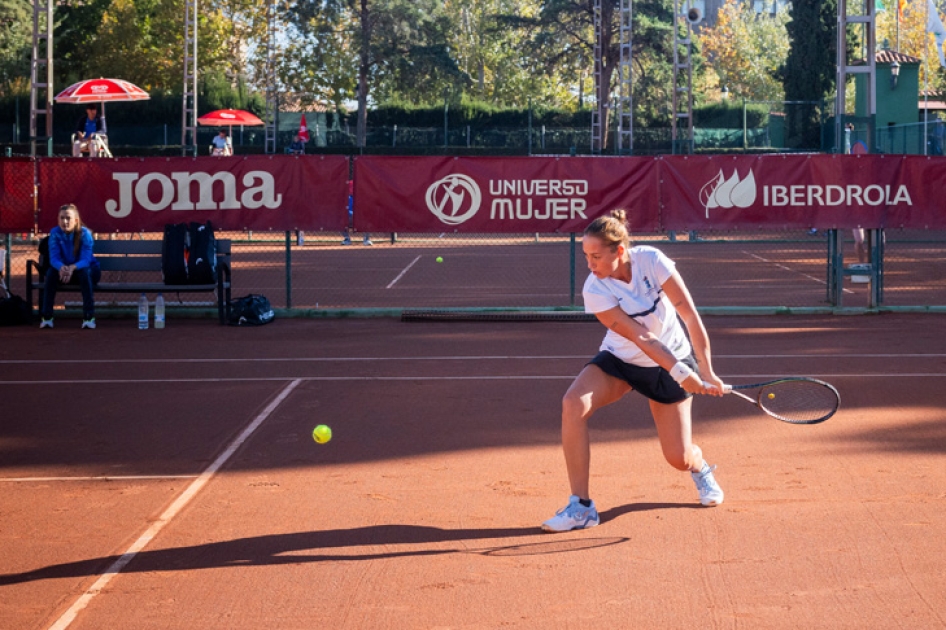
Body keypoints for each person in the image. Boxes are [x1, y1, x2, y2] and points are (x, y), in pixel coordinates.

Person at [542, 209, 725, 533]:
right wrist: (684, 374)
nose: (590, 265)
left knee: (678, 458)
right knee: (573, 404)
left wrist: (707, 371)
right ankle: (581, 507)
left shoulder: (652, 262)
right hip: (622, 361)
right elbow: (641, 336)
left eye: (596, 256)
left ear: (620, 251)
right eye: (586, 256)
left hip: (672, 360)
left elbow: (690, 316)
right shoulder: (595, 289)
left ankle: (700, 467)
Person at [40, 204, 101, 330]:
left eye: (68, 218)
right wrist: (62, 268)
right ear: (58, 219)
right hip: (65, 271)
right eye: (62, 218)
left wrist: (72, 268)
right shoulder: (55, 233)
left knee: (84, 273)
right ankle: (47, 317)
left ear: (76, 220)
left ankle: (89, 317)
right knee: (51, 273)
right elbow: (54, 258)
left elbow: (86, 260)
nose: (65, 221)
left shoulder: (85, 234)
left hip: (88, 271)